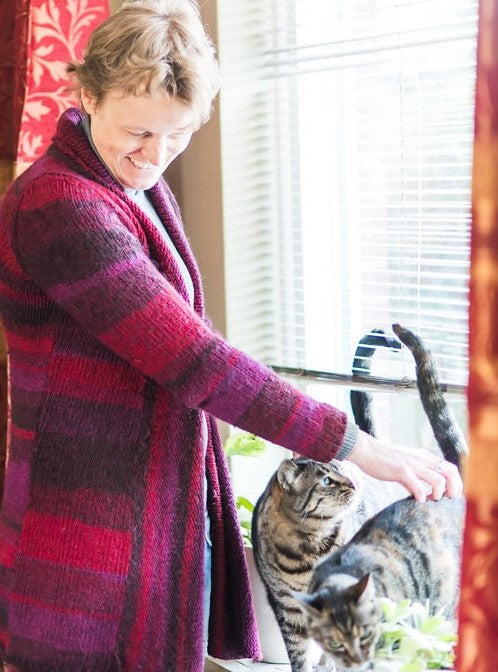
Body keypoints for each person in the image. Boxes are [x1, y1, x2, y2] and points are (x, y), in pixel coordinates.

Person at [0, 1, 462, 671]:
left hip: (146, 516)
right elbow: (192, 358)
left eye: (177, 134)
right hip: (81, 539)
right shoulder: (60, 204)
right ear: (89, 94)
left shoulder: (134, 187)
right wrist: (359, 447)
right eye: (138, 132)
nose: (155, 155)